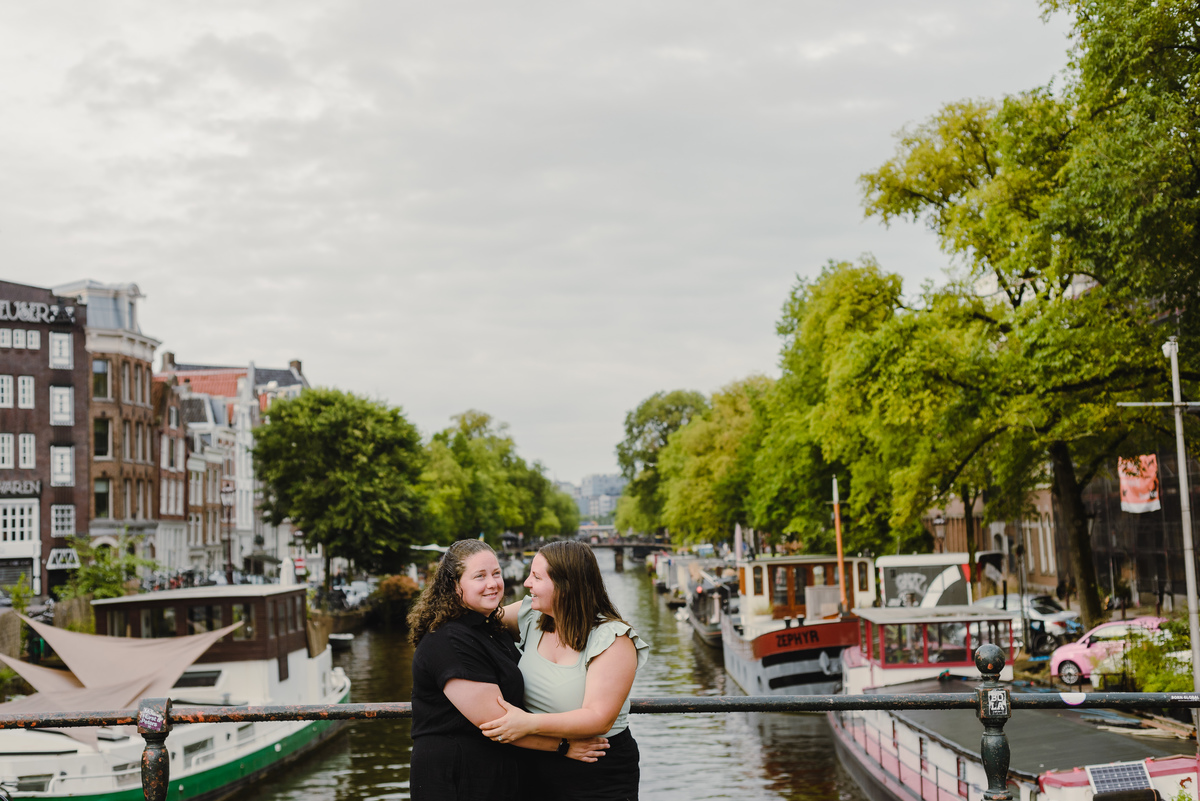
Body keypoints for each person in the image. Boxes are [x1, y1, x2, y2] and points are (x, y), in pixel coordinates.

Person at [407, 540, 608, 801]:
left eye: (496, 573)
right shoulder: (449, 641)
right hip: (457, 778)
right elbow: (498, 723)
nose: (492, 583)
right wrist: (564, 746)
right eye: (480, 576)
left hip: (492, 773)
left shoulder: (488, 626)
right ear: (455, 586)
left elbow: (550, 612)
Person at [482, 541, 649, 801]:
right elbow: (474, 620)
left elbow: (598, 718)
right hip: (537, 761)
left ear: (565, 585)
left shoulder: (613, 639)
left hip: (596, 768)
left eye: (536, 577)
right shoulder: (530, 616)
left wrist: (527, 723)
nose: (527, 583)